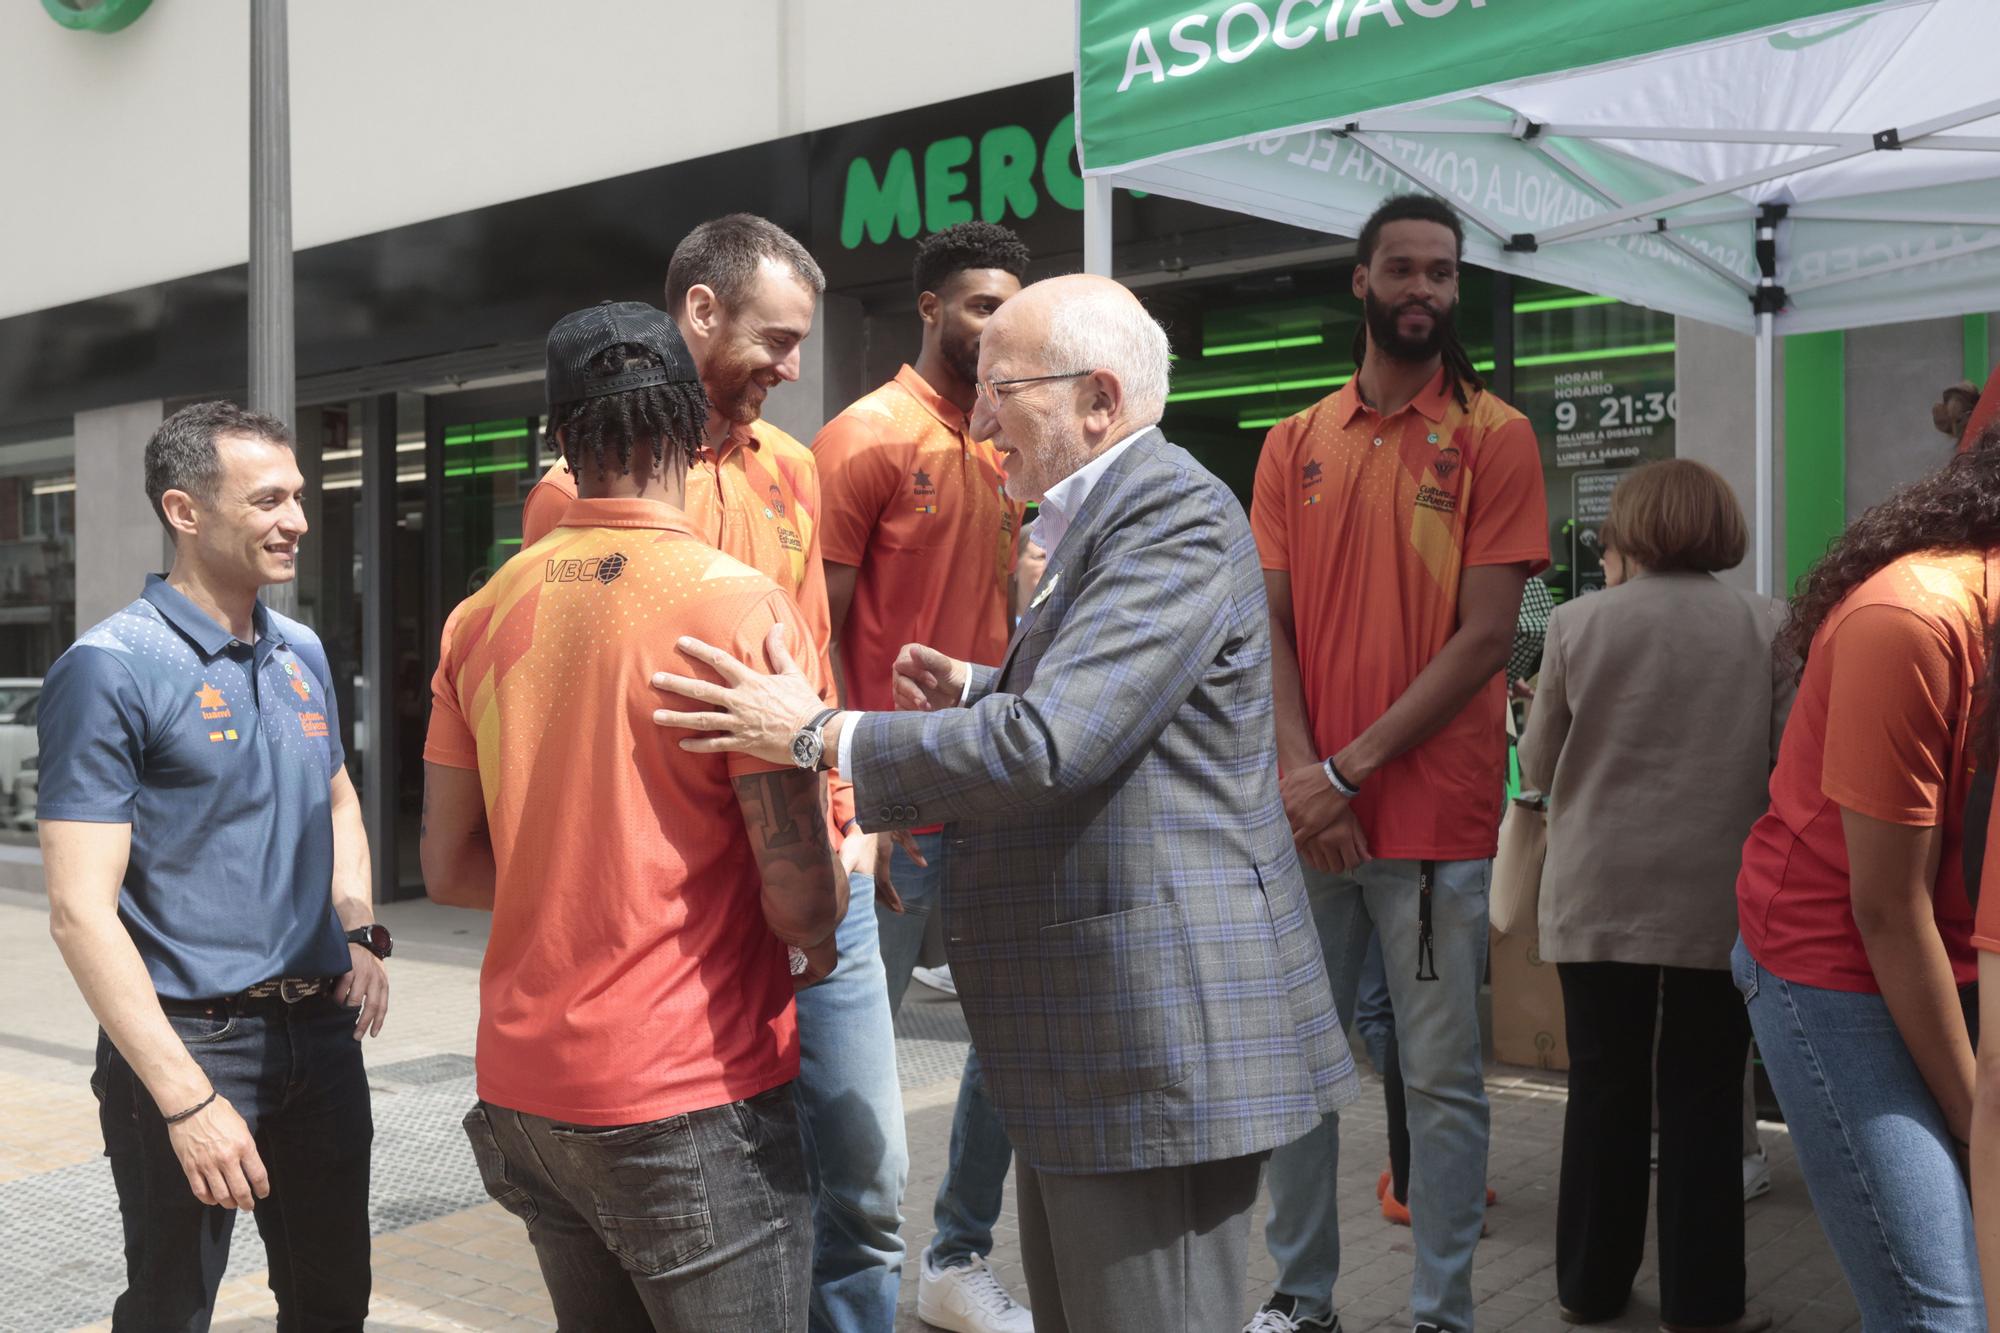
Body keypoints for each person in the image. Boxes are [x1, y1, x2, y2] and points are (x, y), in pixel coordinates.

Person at [650, 272, 1358, 1333]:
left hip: (1149, 1043)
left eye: (1001, 390)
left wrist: (814, 730)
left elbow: (1051, 745)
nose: (979, 421)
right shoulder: (1106, 512)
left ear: (1098, 400)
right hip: (1097, 1042)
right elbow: (1111, 712)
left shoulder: (1168, 513)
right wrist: (983, 685)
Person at [422, 302, 845, 1330]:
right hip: (685, 1088)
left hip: (526, 1091)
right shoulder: (732, 603)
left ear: (559, 437)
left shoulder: (479, 615)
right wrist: (824, 919)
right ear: (696, 434)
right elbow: (796, 900)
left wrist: (576, 888)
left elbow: (449, 864)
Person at [523, 216, 907, 1333]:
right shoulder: (574, 498)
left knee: (870, 1189)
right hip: (694, 910)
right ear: (700, 312)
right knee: (736, 1196)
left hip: (819, 867)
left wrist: (854, 818)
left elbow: (818, 662)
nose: (793, 369)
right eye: (777, 342)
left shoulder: (793, 467)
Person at [1248, 193, 1550, 1333]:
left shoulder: (1493, 436)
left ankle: (1439, 1310)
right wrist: (1299, 777)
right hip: (1307, 818)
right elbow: (1263, 624)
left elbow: (1486, 637)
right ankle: (1299, 1298)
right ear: (1361, 282)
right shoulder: (1293, 442)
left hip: (1427, 825)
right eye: (1403, 269)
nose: (1423, 289)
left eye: (1442, 272)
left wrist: (1344, 771)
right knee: (1295, 1071)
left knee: (1438, 1082)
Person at [38, 400, 388, 1330]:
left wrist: (357, 926)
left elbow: (339, 794)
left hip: (319, 1035)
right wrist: (187, 1099)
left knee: (331, 1302)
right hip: (188, 1043)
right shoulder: (111, 666)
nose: (299, 520)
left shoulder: (302, 648)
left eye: (301, 496)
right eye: (268, 498)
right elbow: (78, 910)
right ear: (185, 510)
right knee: (169, 1307)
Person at [810, 220, 1032, 1333]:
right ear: (931, 310)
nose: (997, 326)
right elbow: (819, 636)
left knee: (1007, 1043)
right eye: (979, 305)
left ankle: (954, 1257)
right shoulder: (864, 438)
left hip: (992, 793)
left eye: (1011, 307)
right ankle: (834, 1282)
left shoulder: (1014, 447)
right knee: (855, 1059)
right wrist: (861, 805)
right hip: (888, 808)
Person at [1734, 444, 2000, 1332]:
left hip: (1954, 948)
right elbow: (1887, 909)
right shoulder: (1913, 620)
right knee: (1941, 1310)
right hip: (1831, 968)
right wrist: (1975, 1122)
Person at [1518, 460, 1788, 1333]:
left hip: (1598, 890)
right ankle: (1704, 1304)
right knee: (1707, 1091)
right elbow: (1788, 765)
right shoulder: (1767, 625)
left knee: (1603, 1085)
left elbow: (1537, 766)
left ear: (1630, 528)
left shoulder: (1575, 623)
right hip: (1722, 893)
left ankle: (1590, 1287)